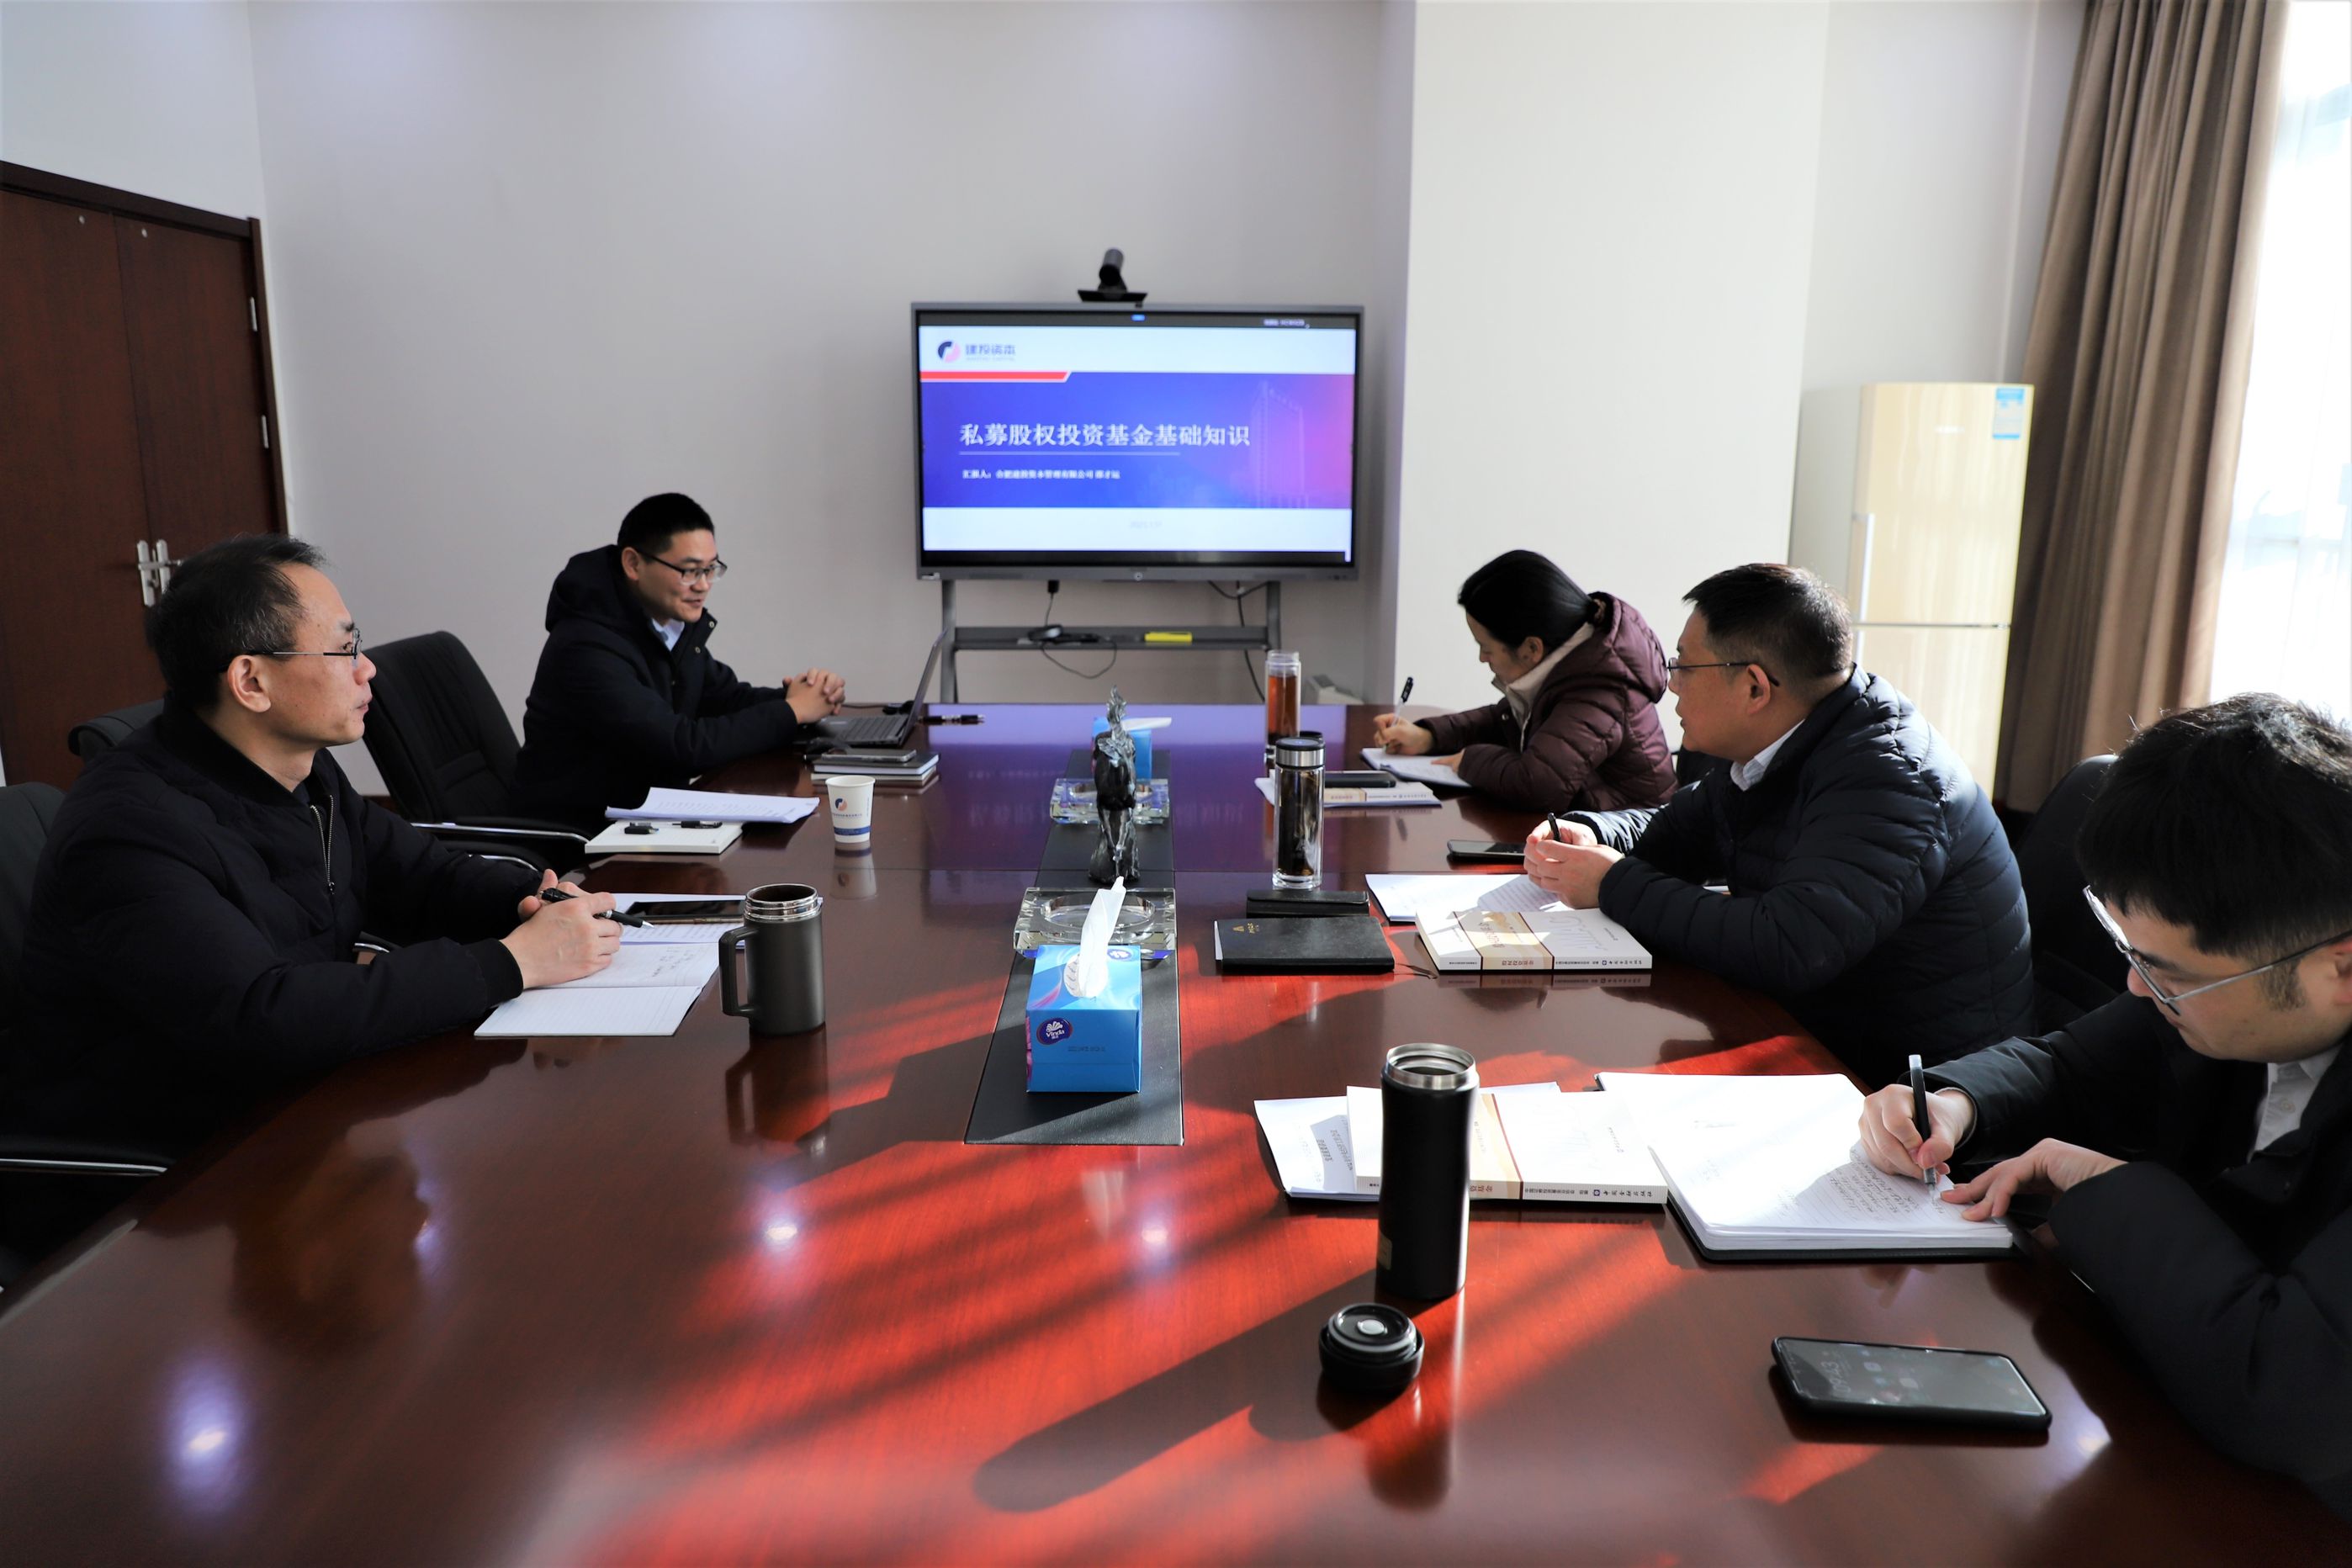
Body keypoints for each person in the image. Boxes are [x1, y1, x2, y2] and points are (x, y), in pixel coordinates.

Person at [1857, 695, 2352, 1518]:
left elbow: (2287, 1392)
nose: (2136, 985)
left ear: (2340, 969)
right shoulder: (2226, 985)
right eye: (2132, 952)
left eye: (2167, 972)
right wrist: (1953, 1104)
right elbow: (2068, 1065)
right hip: (2157, 1420)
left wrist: (2096, 1183)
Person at [7, 536, 619, 1164]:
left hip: (301, 1097)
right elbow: (262, 1018)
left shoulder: (299, 767)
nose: (367, 668)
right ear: (251, 681)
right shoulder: (130, 830)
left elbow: (420, 878)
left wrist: (529, 904)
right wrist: (509, 963)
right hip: (176, 1160)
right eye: (344, 648)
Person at [1523, 563, 2031, 1083]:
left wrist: (1612, 883)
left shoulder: (1889, 780)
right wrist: (1593, 834)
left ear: (1754, 688)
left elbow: (1788, 947)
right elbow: (1680, 831)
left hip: (1913, 1087)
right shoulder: (1792, 739)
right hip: (1814, 1031)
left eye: (1684, 666)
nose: (1670, 685)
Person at [511, 493, 845, 830]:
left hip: (642, 827)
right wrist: (792, 711)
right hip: (581, 839)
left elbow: (724, 698)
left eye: (711, 569)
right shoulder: (585, 646)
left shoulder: (665, 625)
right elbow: (681, 747)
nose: (703, 585)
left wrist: (801, 697)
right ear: (633, 564)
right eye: (689, 571)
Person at [1371, 550, 1675, 813]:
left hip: (1635, 846)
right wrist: (1428, 737)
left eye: (1486, 648)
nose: (1482, 658)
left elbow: (1537, 785)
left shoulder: (1599, 691)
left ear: (1531, 648)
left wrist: (1468, 760)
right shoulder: (1578, 664)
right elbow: (1506, 721)